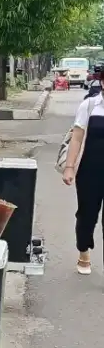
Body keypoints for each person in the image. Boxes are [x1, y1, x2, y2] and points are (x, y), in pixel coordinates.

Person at [63, 74, 104, 274]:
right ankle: (83, 251)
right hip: (90, 171)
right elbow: (77, 138)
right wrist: (69, 167)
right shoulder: (90, 105)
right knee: (87, 215)